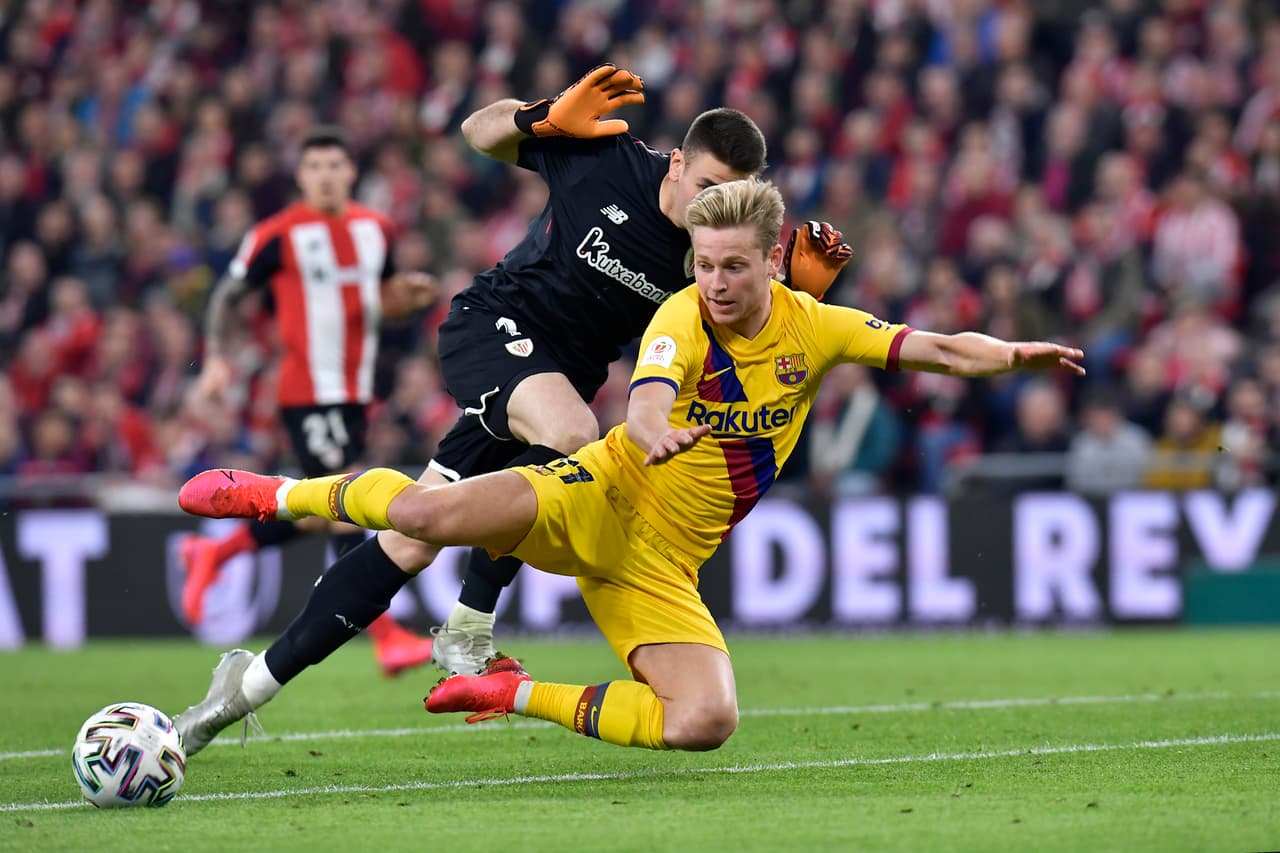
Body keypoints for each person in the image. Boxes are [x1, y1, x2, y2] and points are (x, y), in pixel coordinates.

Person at [177, 178, 1085, 753]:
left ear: (773, 261)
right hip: (597, 494)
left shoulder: (820, 328)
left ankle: (508, 688)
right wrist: (650, 429)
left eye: (734, 267)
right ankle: (271, 491)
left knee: (706, 721)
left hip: (659, 567)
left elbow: (937, 348)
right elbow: (649, 394)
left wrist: (1011, 354)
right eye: (702, 263)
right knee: (422, 518)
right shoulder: (681, 318)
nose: (715, 282)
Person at [171, 67, 848, 757]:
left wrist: (796, 296)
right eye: (705, 188)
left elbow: (752, 350)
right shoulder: (609, 161)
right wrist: (540, 116)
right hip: (492, 328)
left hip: (548, 384)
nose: (714, 209)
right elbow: (478, 133)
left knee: (413, 535)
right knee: (576, 438)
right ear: (676, 162)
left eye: (731, 197)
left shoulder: (714, 260)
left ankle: (241, 690)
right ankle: (466, 627)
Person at [181, 126, 438, 676]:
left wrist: (409, 300)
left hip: (355, 392)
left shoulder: (378, 230)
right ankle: (387, 635)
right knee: (345, 503)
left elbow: (384, 300)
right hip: (307, 391)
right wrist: (217, 356)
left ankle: (216, 553)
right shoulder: (277, 234)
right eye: (314, 166)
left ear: (350, 173)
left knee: (320, 508)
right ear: (300, 176)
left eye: (334, 165)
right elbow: (227, 294)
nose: (325, 175)